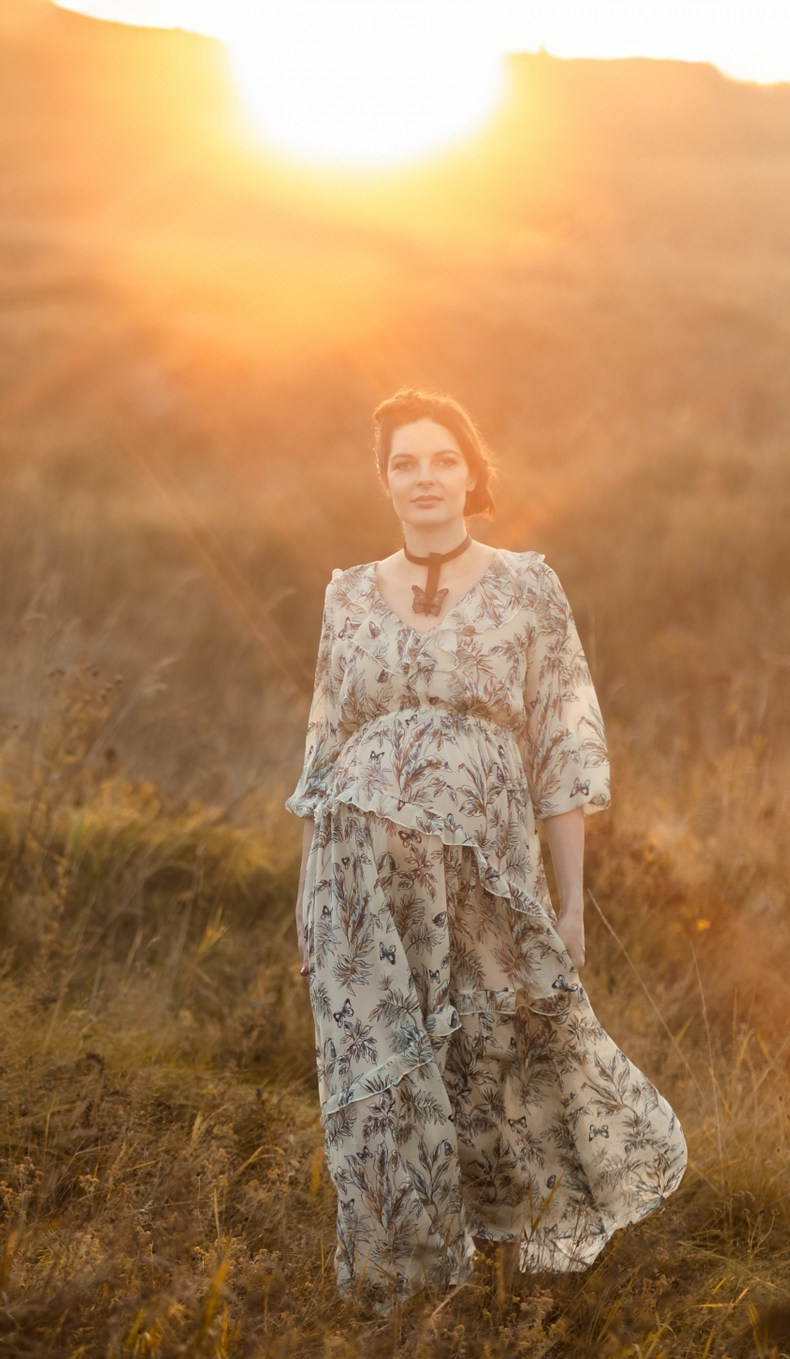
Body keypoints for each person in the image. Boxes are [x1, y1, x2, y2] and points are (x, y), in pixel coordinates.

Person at [286, 390, 685, 1298]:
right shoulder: (346, 596)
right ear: (383, 480)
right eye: (404, 463)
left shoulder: (526, 588)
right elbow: (324, 752)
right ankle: (399, 1289)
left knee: (491, 1058)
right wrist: (305, 910)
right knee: (379, 1076)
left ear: (472, 474)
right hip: (357, 884)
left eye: (442, 460)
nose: (424, 479)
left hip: (485, 872)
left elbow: (562, 751)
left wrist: (571, 903)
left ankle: (502, 1274)